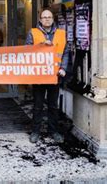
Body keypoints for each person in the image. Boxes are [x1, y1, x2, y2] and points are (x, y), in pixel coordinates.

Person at [25, 8, 70, 143]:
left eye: (49, 17)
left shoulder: (62, 33)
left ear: (53, 19)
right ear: (40, 19)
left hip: (55, 75)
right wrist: (41, 45)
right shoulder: (33, 33)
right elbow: (27, 51)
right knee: (38, 105)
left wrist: (63, 68)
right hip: (39, 75)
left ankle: (53, 131)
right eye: (44, 17)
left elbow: (66, 52)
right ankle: (35, 132)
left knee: (53, 106)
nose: (47, 19)